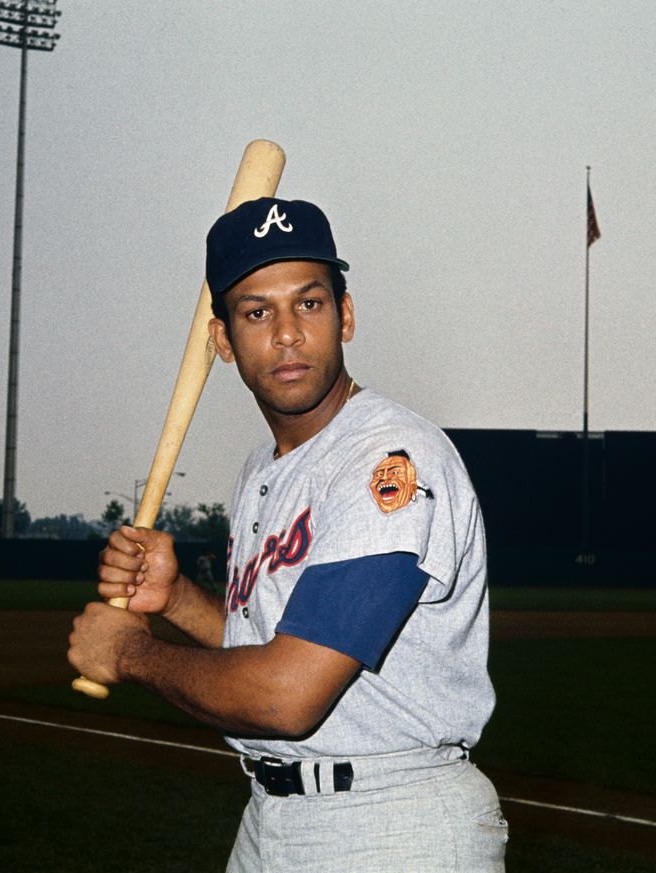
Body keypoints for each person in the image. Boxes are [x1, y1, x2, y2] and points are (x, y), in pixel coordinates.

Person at [69, 197, 506, 871]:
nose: (287, 333)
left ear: (346, 315)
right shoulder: (263, 469)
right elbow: (269, 648)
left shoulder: (388, 458)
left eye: (308, 303)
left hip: (392, 823)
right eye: (255, 311)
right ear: (221, 341)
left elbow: (285, 694)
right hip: (273, 816)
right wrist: (179, 598)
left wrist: (131, 653)